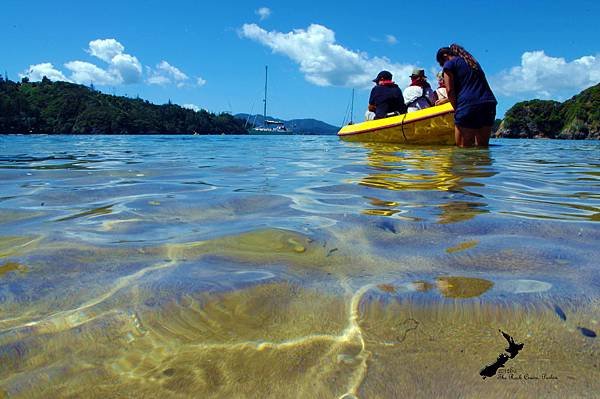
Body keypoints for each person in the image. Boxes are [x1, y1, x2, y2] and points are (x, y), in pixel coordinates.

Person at [436, 44, 497, 147]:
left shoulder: (449, 64)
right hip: (488, 104)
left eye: (441, 63)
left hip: (468, 106)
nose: (442, 66)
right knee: (483, 148)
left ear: (445, 56)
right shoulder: (473, 63)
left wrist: (456, 109)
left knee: (463, 151)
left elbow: (450, 90)